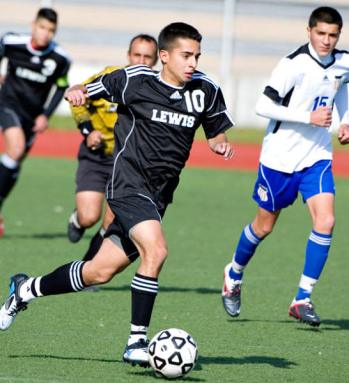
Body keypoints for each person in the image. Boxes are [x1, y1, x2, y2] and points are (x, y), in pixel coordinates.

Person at [0, 22, 234, 366]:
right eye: (186, 55)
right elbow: (85, 88)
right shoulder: (134, 79)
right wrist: (77, 92)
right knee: (156, 251)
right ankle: (136, 342)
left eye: (197, 56)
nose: (193, 63)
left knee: (98, 272)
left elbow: (215, 133)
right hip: (127, 184)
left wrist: (220, 145)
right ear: (165, 56)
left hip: (159, 195)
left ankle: (24, 290)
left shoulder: (206, 90)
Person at [221, 6, 349, 327]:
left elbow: (342, 86)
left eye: (333, 35)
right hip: (279, 158)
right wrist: (309, 117)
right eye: (321, 33)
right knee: (264, 226)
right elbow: (262, 105)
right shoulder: (292, 65)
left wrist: (346, 120)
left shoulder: (343, 61)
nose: (326, 41)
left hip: (317, 157)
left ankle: (302, 298)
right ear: (309, 32)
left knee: (327, 220)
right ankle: (234, 273)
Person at [67, 34, 158, 265]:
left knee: (111, 220)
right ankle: (78, 220)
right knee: (89, 217)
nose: (141, 61)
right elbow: (79, 94)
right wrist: (88, 131)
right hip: (97, 156)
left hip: (127, 163)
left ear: (156, 60)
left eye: (147, 57)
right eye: (137, 55)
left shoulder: (158, 89)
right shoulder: (111, 76)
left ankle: (87, 268)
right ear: (128, 56)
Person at [0, 8, 71, 237]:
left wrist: (45, 115)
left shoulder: (60, 59)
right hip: (7, 104)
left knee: (15, 162)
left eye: (51, 30)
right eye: (42, 27)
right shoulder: (12, 42)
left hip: (31, 116)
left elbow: (61, 87)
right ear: (33, 25)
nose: (46, 34)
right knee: (16, 147)